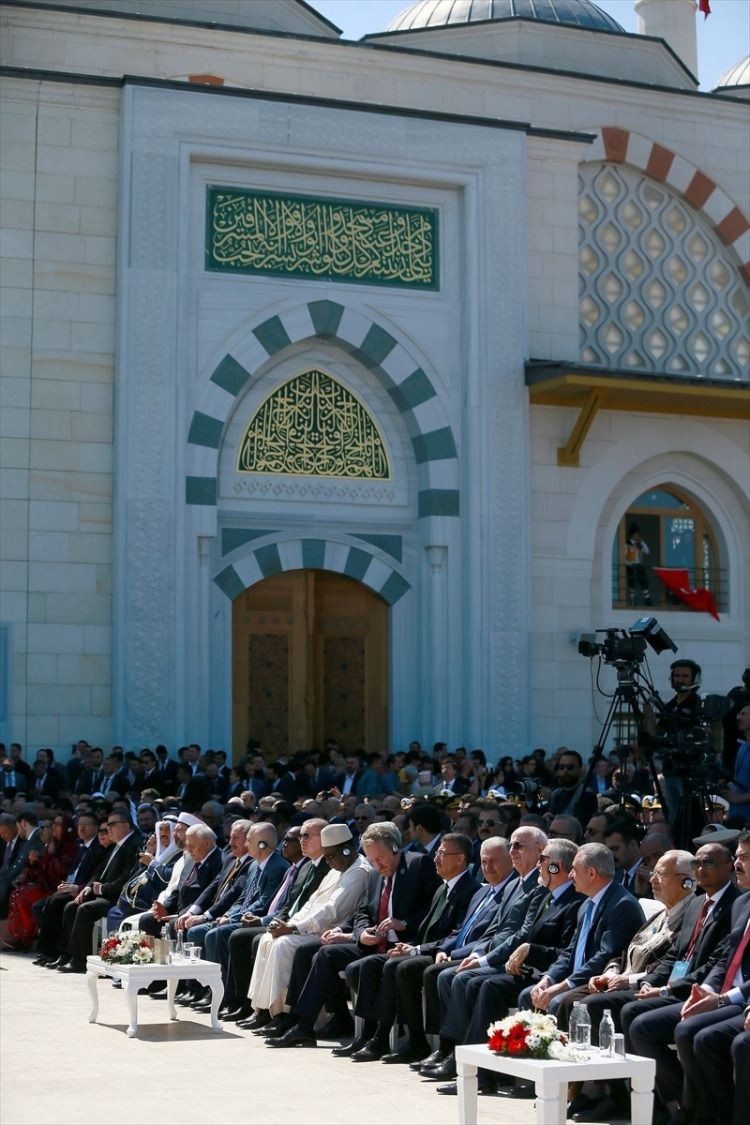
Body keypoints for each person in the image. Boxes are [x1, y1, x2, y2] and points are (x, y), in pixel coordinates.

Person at [631, 832, 750, 1124]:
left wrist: (719, 997)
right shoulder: (743, 904)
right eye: (737, 856)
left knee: (709, 1037)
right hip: (719, 992)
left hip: (737, 998)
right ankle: (687, 1108)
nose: (738, 864)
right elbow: (724, 961)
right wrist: (706, 990)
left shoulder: (732, 902)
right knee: (647, 1022)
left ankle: (711, 1113)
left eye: (745, 857)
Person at [247, 823, 369, 1024]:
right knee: (268, 939)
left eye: (330, 856)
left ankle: (282, 1012)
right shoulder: (336, 867)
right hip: (311, 926)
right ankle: (263, 1010)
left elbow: (332, 910)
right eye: (326, 856)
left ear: (346, 850)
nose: (327, 861)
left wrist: (294, 928)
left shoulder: (358, 871)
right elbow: (311, 903)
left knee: (284, 944)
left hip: (329, 930)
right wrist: (286, 924)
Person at [4, 813, 78, 949]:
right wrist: (33, 863)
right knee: (19, 893)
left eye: (58, 825)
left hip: (57, 887)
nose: (54, 828)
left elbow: (62, 872)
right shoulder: (50, 845)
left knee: (26, 897)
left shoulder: (70, 846)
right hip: (45, 886)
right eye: (53, 824)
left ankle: (27, 938)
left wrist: (51, 855)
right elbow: (39, 873)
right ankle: (21, 937)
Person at [624, 523, 651, 606]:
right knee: (632, 583)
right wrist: (628, 564)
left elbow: (647, 551)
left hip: (639, 566)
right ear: (632, 534)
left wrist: (642, 542)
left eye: (638, 534)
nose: (637, 536)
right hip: (631, 566)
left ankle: (647, 600)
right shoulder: (627, 543)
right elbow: (624, 555)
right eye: (635, 534)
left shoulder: (639, 544)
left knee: (644, 582)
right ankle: (633, 601)